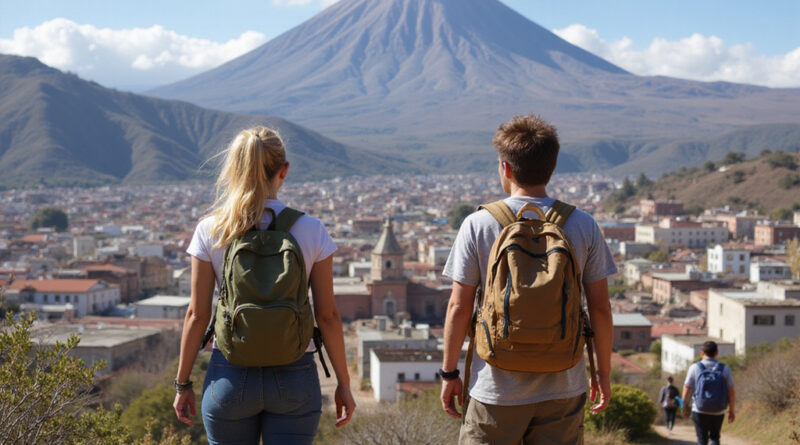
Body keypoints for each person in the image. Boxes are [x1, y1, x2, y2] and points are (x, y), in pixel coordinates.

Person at [440, 114, 616, 444]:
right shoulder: (582, 224)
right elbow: (601, 309)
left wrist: (449, 373)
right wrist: (602, 374)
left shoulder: (478, 224)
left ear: (505, 168)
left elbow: (458, 307)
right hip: (564, 384)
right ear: (552, 167)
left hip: (495, 387)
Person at [172, 126, 355, 444]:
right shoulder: (311, 230)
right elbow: (327, 316)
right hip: (295, 373)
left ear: (234, 170)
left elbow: (197, 315)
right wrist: (344, 383)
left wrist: (182, 383)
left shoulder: (211, 229)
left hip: (229, 373)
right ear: (284, 171)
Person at [682, 341, 735, 445]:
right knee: (715, 437)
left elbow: (687, 388)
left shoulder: (695, 367)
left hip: (699, 409)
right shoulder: (725, 369)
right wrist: (731, 410)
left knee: (702, 439)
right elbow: (731, 391)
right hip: (719, 409)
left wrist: (684, 406)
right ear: (716, 352)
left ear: (702, 353)